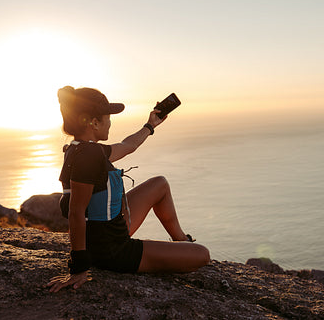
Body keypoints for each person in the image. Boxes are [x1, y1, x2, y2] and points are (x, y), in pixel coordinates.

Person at [48, 86, 210, 293]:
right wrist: (79, 268)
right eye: (108, 117)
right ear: (94, 122)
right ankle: (185, 247)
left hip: (109, 232)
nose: (110, 121)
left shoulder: (83, 148)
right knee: (202, 255)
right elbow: (76, 212)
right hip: (113, 250)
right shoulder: (88, 156)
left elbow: (127, 145)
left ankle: (181, 241)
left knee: (159, 183)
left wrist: (150, 125)